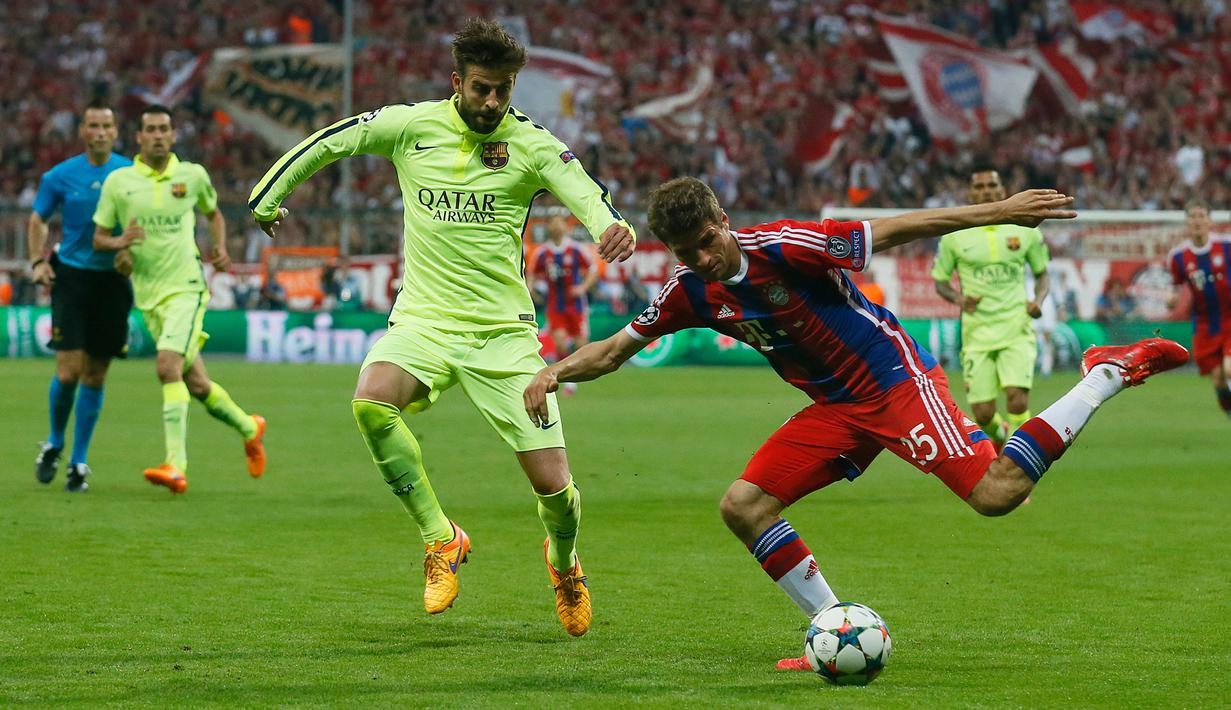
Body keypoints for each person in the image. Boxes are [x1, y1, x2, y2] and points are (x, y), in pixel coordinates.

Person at [523, 177, 1188, 667]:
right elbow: (613, 351)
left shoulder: (785, 245)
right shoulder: (689, 291)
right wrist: (554, 370)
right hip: (835, 409)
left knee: (997, 494)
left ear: (722, 220)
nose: (700, 259)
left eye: (705, 243)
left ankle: (1104, 372)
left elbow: (897, 229)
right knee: (743, 506)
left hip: (892, 380)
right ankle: (831, 629)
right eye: (683, 251)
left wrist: (1000, 211)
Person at [247, 18, 635, 636]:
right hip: (424, 320)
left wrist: (610, 226)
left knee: (554, 489)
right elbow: (330, 141)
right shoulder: (410, 126)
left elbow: (582, 189)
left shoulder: (531, 143)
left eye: (504, 90)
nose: (492, 102)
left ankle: (564, 565)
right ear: (457, 81)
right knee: (371, 404)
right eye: (482, 88)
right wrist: (269, 194)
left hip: (503, 335)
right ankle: (442, 539)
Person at [92, 104, 267, 494]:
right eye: (150, 129)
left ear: (173, 136)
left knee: (167, 367)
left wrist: (219, 248)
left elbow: (214, 214)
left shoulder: (192, 176)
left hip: (186, 287)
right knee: (197, 383)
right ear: (138, 137)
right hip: (148, 294)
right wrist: (119, 245)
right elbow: (100, 237)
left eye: (164, 129)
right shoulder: (119, 183)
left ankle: (175, 465)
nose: (157, 135)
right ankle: (248, 426)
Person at [27, 100, 133, 492]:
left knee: (96, 374)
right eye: (94, 125)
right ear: (83, 131)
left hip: (113, 282)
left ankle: (79, 461)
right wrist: (37, 262)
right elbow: (37, 218)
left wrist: (132, 254)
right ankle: (55, 441)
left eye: (107, 125)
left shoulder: (130, 173)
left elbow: (144, 221)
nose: (101, 131)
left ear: (116, 131)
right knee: (69, 371)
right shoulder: (60, 176)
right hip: (71, 278)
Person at [932, 167, 1051, 451]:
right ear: (971, 193)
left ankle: (1018, 463)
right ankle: (999, 437)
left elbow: (1042, 274)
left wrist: (1038, 300)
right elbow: (940, 282)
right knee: (983, 414)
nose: (987, 191)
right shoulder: (955, 235)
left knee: (1017, 399)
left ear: (1002, 189)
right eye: (980, 186)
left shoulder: (1024, 229)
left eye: (992, 185)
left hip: (1016, 327)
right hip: (977, 333)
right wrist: (960, 300)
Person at [1167, 199, 1231, 419]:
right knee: (1219, 380)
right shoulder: (1178, 257)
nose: (1197, 221)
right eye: (1193, 216)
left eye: (1201, 215)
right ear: (1186, 222)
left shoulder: (1226, 246)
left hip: (1230, 318)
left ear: (1210, 221)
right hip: (1205, 324)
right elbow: (1176, 290)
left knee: (1230, 368)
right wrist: (1171, 300)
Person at [531, 215, 597, 394]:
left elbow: (593, 269)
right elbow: (532, 272)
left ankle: (579, 374)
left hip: (576, 305)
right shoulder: (543, 252)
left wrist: (583, 287)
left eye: (560, 223)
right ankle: (569, 383)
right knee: (560, 343)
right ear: (549, 227)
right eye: (553, 223)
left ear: (566, 227)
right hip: (555, 305)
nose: (556, 226)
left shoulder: (576, 249)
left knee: (581, 343)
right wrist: (531, 290)